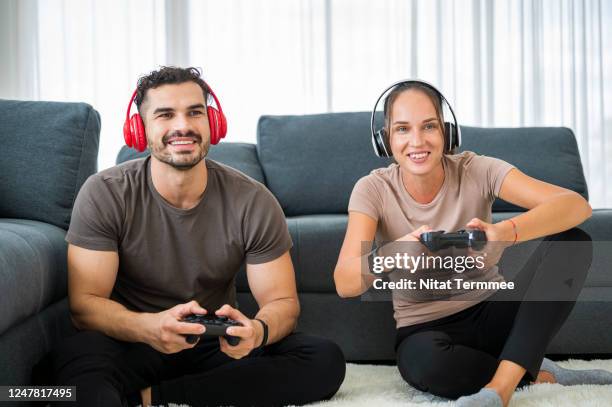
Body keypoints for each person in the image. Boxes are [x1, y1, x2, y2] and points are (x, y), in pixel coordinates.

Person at [51, 66, 345, 407]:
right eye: (165, 115)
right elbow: (84, 306)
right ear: (139, 129)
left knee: (323, 359)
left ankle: (151, 398)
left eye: (195, 112)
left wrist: (256, 332)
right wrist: (150, 327)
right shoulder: (104, 192)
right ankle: (184, 392)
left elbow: (282, 303)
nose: (183, 126)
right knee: (76, 374)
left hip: (211, 342)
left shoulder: (252, 199)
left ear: (213, 123)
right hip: (133, 340)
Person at [334, 80, 611, 407]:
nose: (417, 141)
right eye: (403, 129)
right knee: (430, 367)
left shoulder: (478, 169)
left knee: (573, 242)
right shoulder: (372, 189)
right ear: (385, 140)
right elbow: (345, 282)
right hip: (424, 328)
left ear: (448, 133)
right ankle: (533, 370)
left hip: (494, 312)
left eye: (429, 126)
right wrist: (394, 254)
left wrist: (503, 233)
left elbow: (576, 206)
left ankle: (500, 390)